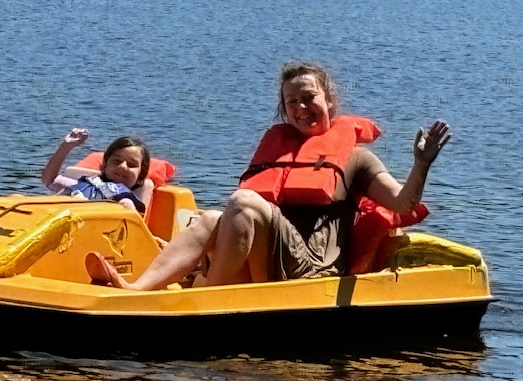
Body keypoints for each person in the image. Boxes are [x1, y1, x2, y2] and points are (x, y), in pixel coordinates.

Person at [85, 61, 451, 290]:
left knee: (243, 202)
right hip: (268, 262)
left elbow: (404, 202)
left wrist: (421, 163)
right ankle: (137, 288)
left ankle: (210, 297)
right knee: (211, 216)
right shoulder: (277, 147)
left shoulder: (357, 159)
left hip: (311, 269)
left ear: (330, 101)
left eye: (308, 98)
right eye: (292, 103)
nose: (301, 108)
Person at [42, 128, 154, 214]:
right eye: (117, 161)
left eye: (132, 164)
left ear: (140, 174)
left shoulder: (127, 198)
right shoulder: (84, 184)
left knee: (126, 203)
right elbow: (49, 179)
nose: (123, 167)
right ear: (105, 165)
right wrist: (65, 147)